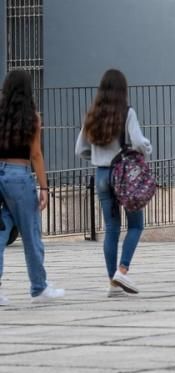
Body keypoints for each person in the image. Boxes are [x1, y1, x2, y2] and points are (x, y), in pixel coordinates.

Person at [75, 69, 151, 296]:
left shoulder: (93, 115)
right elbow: (138, 142)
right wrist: (147, 150)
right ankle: (122, 270)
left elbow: (80, 149)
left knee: (111, 229)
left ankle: (112, 283)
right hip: (123, 174)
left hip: (101, 174)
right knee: (136, 225)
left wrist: (97, 158)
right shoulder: (127, 113)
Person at [0, 69, 63, 305]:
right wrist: (44, 188)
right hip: (19, 175)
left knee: (1, 230)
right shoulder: (32, 117)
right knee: (31, 232)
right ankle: (39, 286)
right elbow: (36, 154)